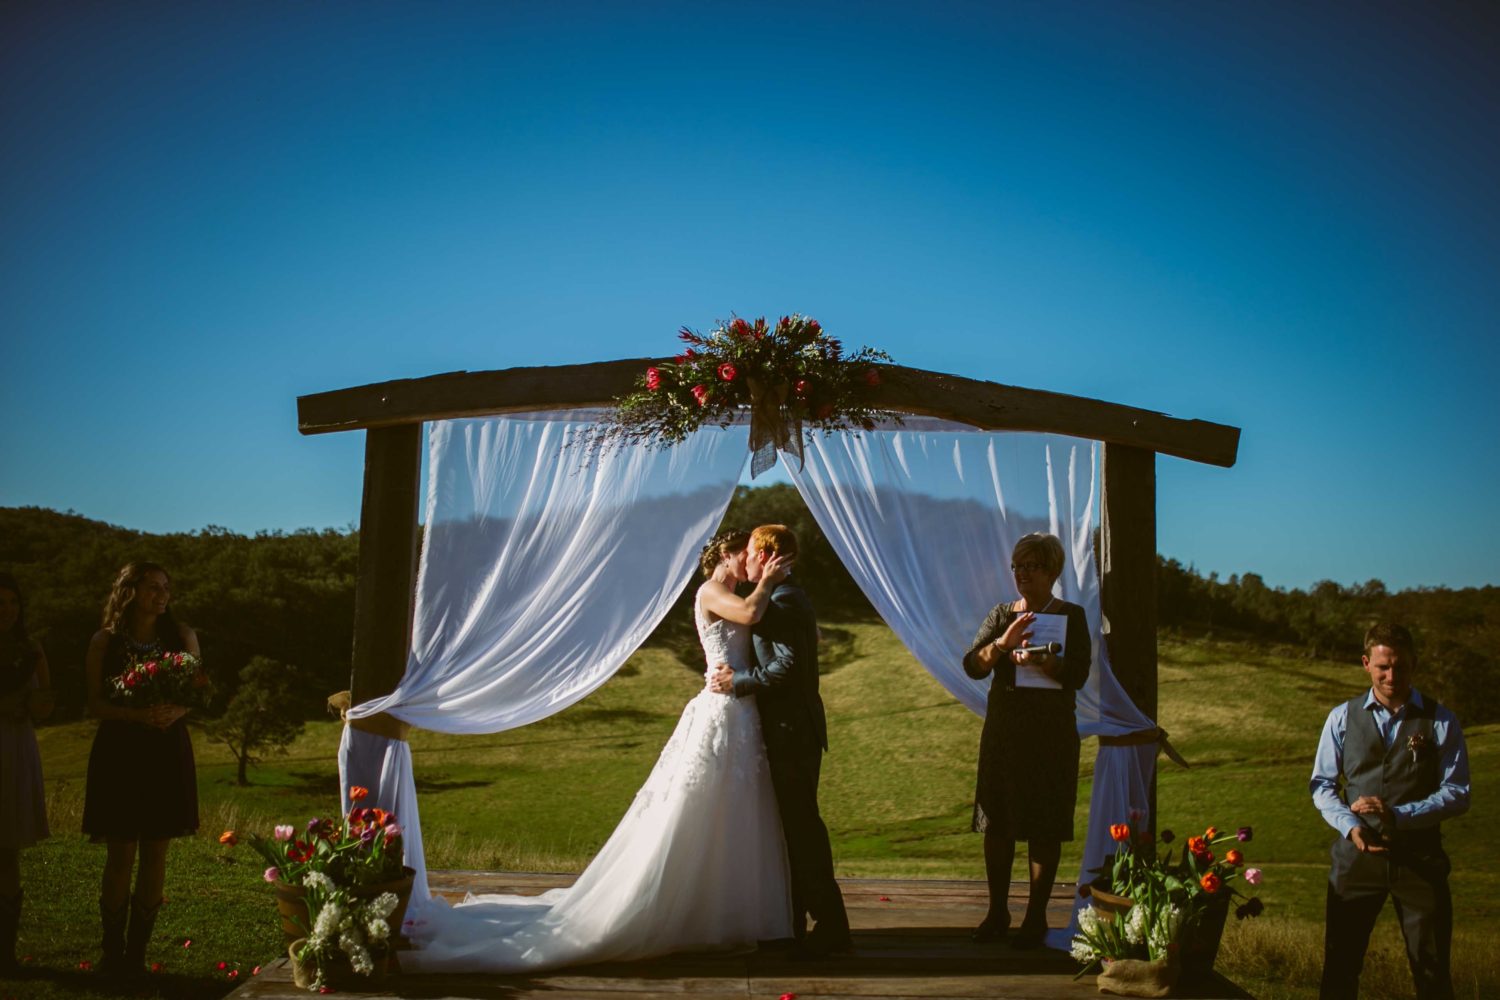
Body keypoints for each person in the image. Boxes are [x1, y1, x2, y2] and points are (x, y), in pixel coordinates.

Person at [401, 530, 795, 973]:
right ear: (726, 553)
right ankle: (670, 908)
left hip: (740, 712)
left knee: (733, 813)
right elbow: (748, 612)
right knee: (695, 808)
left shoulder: (732, 589)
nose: (750, 563)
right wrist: (769, 580)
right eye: (746, 555)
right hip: (721, 712)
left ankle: (721, 913)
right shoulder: (713, 591)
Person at [711, 524, 852, 958]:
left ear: (767, 557)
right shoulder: (782, 597)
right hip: (789, 729)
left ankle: (831, 926)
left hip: (792, 731)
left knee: (802, 830)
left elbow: (786, 668)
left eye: (750, 553)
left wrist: (739, 682)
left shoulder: (785, 600)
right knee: (791, 830)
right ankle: (791, 919)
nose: (745, 560)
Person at [1311, 622, 1469, 1000]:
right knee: (1340, 967)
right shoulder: (1341, 717)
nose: (1391, 675)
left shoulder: (1441, 721)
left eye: (1400, 666)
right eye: (1383, 667)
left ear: (1414, 663)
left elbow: (1458, 791)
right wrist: (1351, 826)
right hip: (1355, 860)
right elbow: (1322, 785)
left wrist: (1400, 814)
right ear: (1366, 663)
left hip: (1420, 859)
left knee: (1431, 971)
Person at [961, 532, 1091, 948]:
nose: (1021, 574)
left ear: (1052, 571)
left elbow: (1079, 675)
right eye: (1017, 566)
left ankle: (1035, 918)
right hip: (1005, 734)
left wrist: (1049, 662)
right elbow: (972, 665)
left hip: (1052, 735)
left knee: (1045, 825)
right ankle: (996, 912)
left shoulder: (1073, 616)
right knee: (997, 822)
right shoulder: (1002, 614)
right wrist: (1003, 644)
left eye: (1031, 567)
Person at [81, 562, 201, 975]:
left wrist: (175, 709)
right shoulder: (105, 642)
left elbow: (197, 694)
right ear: (130, 590)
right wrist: (134, 716)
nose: (162, 595)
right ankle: (110, 953)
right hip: (121, 750)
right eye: (153, 587)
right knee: (120, 853)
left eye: (166, 587)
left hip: (166, 750)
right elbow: (94, 704)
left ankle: (136, 955)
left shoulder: (182, 637)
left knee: (155, 852)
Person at [0, 572, 52, 975]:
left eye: (14, 603)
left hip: (15, 745)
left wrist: (35, 689)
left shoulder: (29, 648)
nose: (8, 610)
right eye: (1, 603)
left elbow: (45, 707)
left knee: (8, 847)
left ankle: (6, 952)